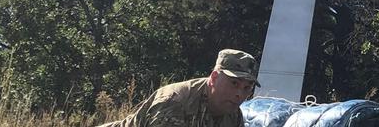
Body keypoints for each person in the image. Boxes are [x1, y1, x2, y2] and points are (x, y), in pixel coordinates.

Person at [98, 48, 260, 127]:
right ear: (214, 78)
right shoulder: (175, 103)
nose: (240, 94)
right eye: (234, 83)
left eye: (247, 87)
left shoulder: (233, 116)